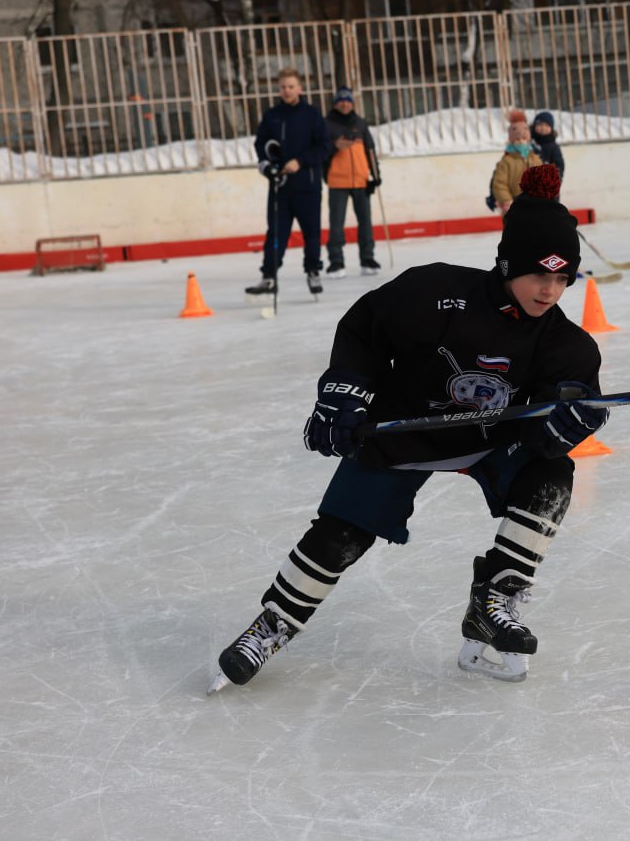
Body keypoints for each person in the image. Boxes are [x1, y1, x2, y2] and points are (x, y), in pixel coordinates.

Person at [210, 164, 608, 692]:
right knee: (339, 537)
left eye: (563, 279)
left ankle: (496, 596)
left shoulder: (566, 343)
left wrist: (567, 424)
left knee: (552, 473)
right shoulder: (435, 292)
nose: (551, 290)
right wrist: (343, 397)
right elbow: (361, 332)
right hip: (404, 433)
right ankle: (273, 623)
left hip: (489, 442)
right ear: (507, 264)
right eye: (541, 274)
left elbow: (561, 413)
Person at [247, 68, 333, 299]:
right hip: (280, 187)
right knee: (276, 233)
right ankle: (269, 276)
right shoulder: (272, 115)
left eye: (291, 86)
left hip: (308, 186)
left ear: (300, 88)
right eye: (283, 87)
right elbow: (261, 145)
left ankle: (313, 271)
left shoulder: (312, 115)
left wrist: (300, 161)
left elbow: (324, 147)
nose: (287, 91)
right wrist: (267, 166)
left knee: (311, 233)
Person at [324, 87, 381, 277]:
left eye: (347, 100)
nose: (344, 104)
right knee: (336, 224)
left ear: (352, 103)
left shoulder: (361, 124)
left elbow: (370, 151)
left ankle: (367, 258)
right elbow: (320, 151)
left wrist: (375, 176)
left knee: (365, 222)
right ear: (335, 103)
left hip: (360, 181)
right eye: (340, 101)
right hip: (337, 181)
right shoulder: (327, 125)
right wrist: (334, 146)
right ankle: (336, 261)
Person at [490, 109, 542, 214]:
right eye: (517, 140)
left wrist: (542, 198)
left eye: (524, 138)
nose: (521, 142)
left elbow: (542, 179)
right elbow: (499, 184)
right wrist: (507, 201)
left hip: (534, 205)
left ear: (528, 140)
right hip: (514, 206)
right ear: (511, 141)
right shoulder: (507, 161)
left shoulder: (534, 158)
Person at [530, 111, 564, 180]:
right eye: (540, 124)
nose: (543, 128)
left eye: (547, 125)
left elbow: (559, 167)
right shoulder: (529, 143)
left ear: (551, 128)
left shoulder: (553, 147)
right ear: (534, 126)